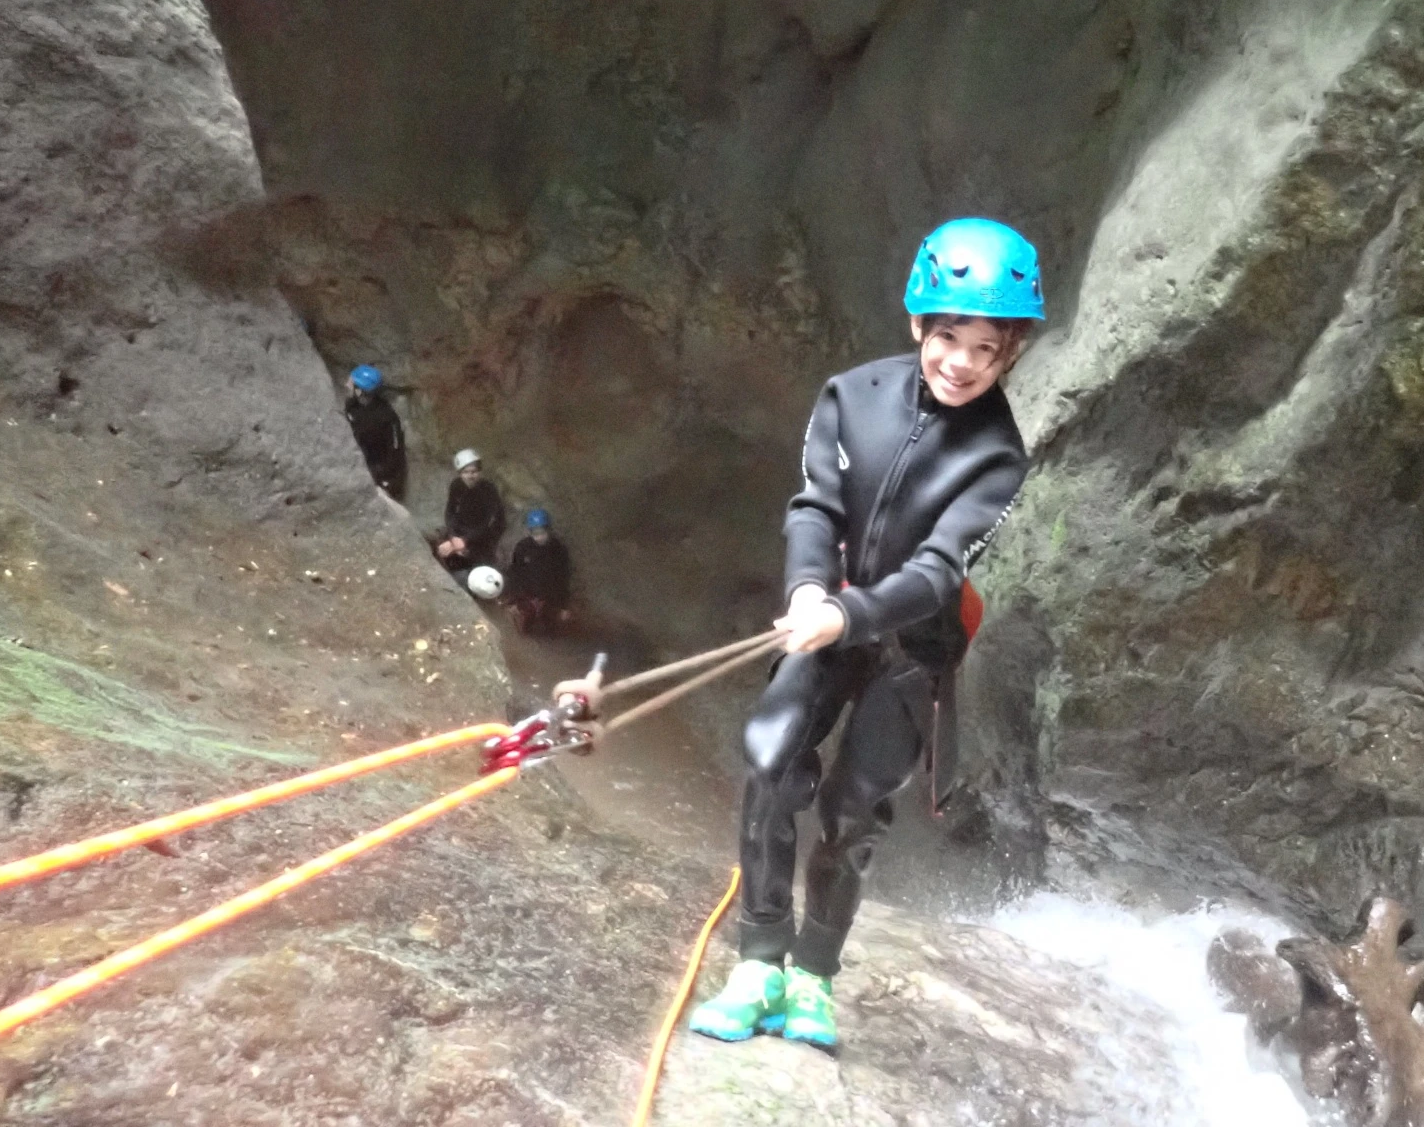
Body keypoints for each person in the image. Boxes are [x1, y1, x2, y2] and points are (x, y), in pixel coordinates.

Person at [555, 218, 1043, 1052]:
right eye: (949, 337)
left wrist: (846, 614)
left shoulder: (998, 456)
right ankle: (759, 959)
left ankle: (814, 975)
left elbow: (937, 571)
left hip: (911, 647)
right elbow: (815, 505)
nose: (961, 363)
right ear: (918, 323)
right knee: (771, 759)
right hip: (825, 615)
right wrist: (810, 589)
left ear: (1009, 356)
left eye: (987, 350)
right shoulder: (849, 397)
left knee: (854, 810)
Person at [433, 449, 506, 577]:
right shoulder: (456, 485)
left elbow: (490, 523)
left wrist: (465, 541)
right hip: (461, 533)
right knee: (440, 551)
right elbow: (450, 512)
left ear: (479, 472)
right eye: (465, 472)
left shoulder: (488, 489)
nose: (470, 476)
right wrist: (453, 536)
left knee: (480, 572)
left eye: (474, 472)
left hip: (483, 538)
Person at [343, 364, 407, 500]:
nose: (346, 385)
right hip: (362, 463)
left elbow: (395, 453)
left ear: (360, 391)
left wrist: (373, 475)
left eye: (351, 383)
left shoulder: (386, 417)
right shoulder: (353, 406)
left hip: (383, 473)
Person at [504, 508, 572, 634]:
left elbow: (563, 578)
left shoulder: (558, 550)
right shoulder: (523, 547)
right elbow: (515, 573)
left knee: (551, 629)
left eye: (542, 533)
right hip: (527, 595)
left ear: (548, 530)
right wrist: (513, 601)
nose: (539, 537)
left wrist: (564, 607)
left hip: (549, 597)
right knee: (525, 624)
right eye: (535, 533)